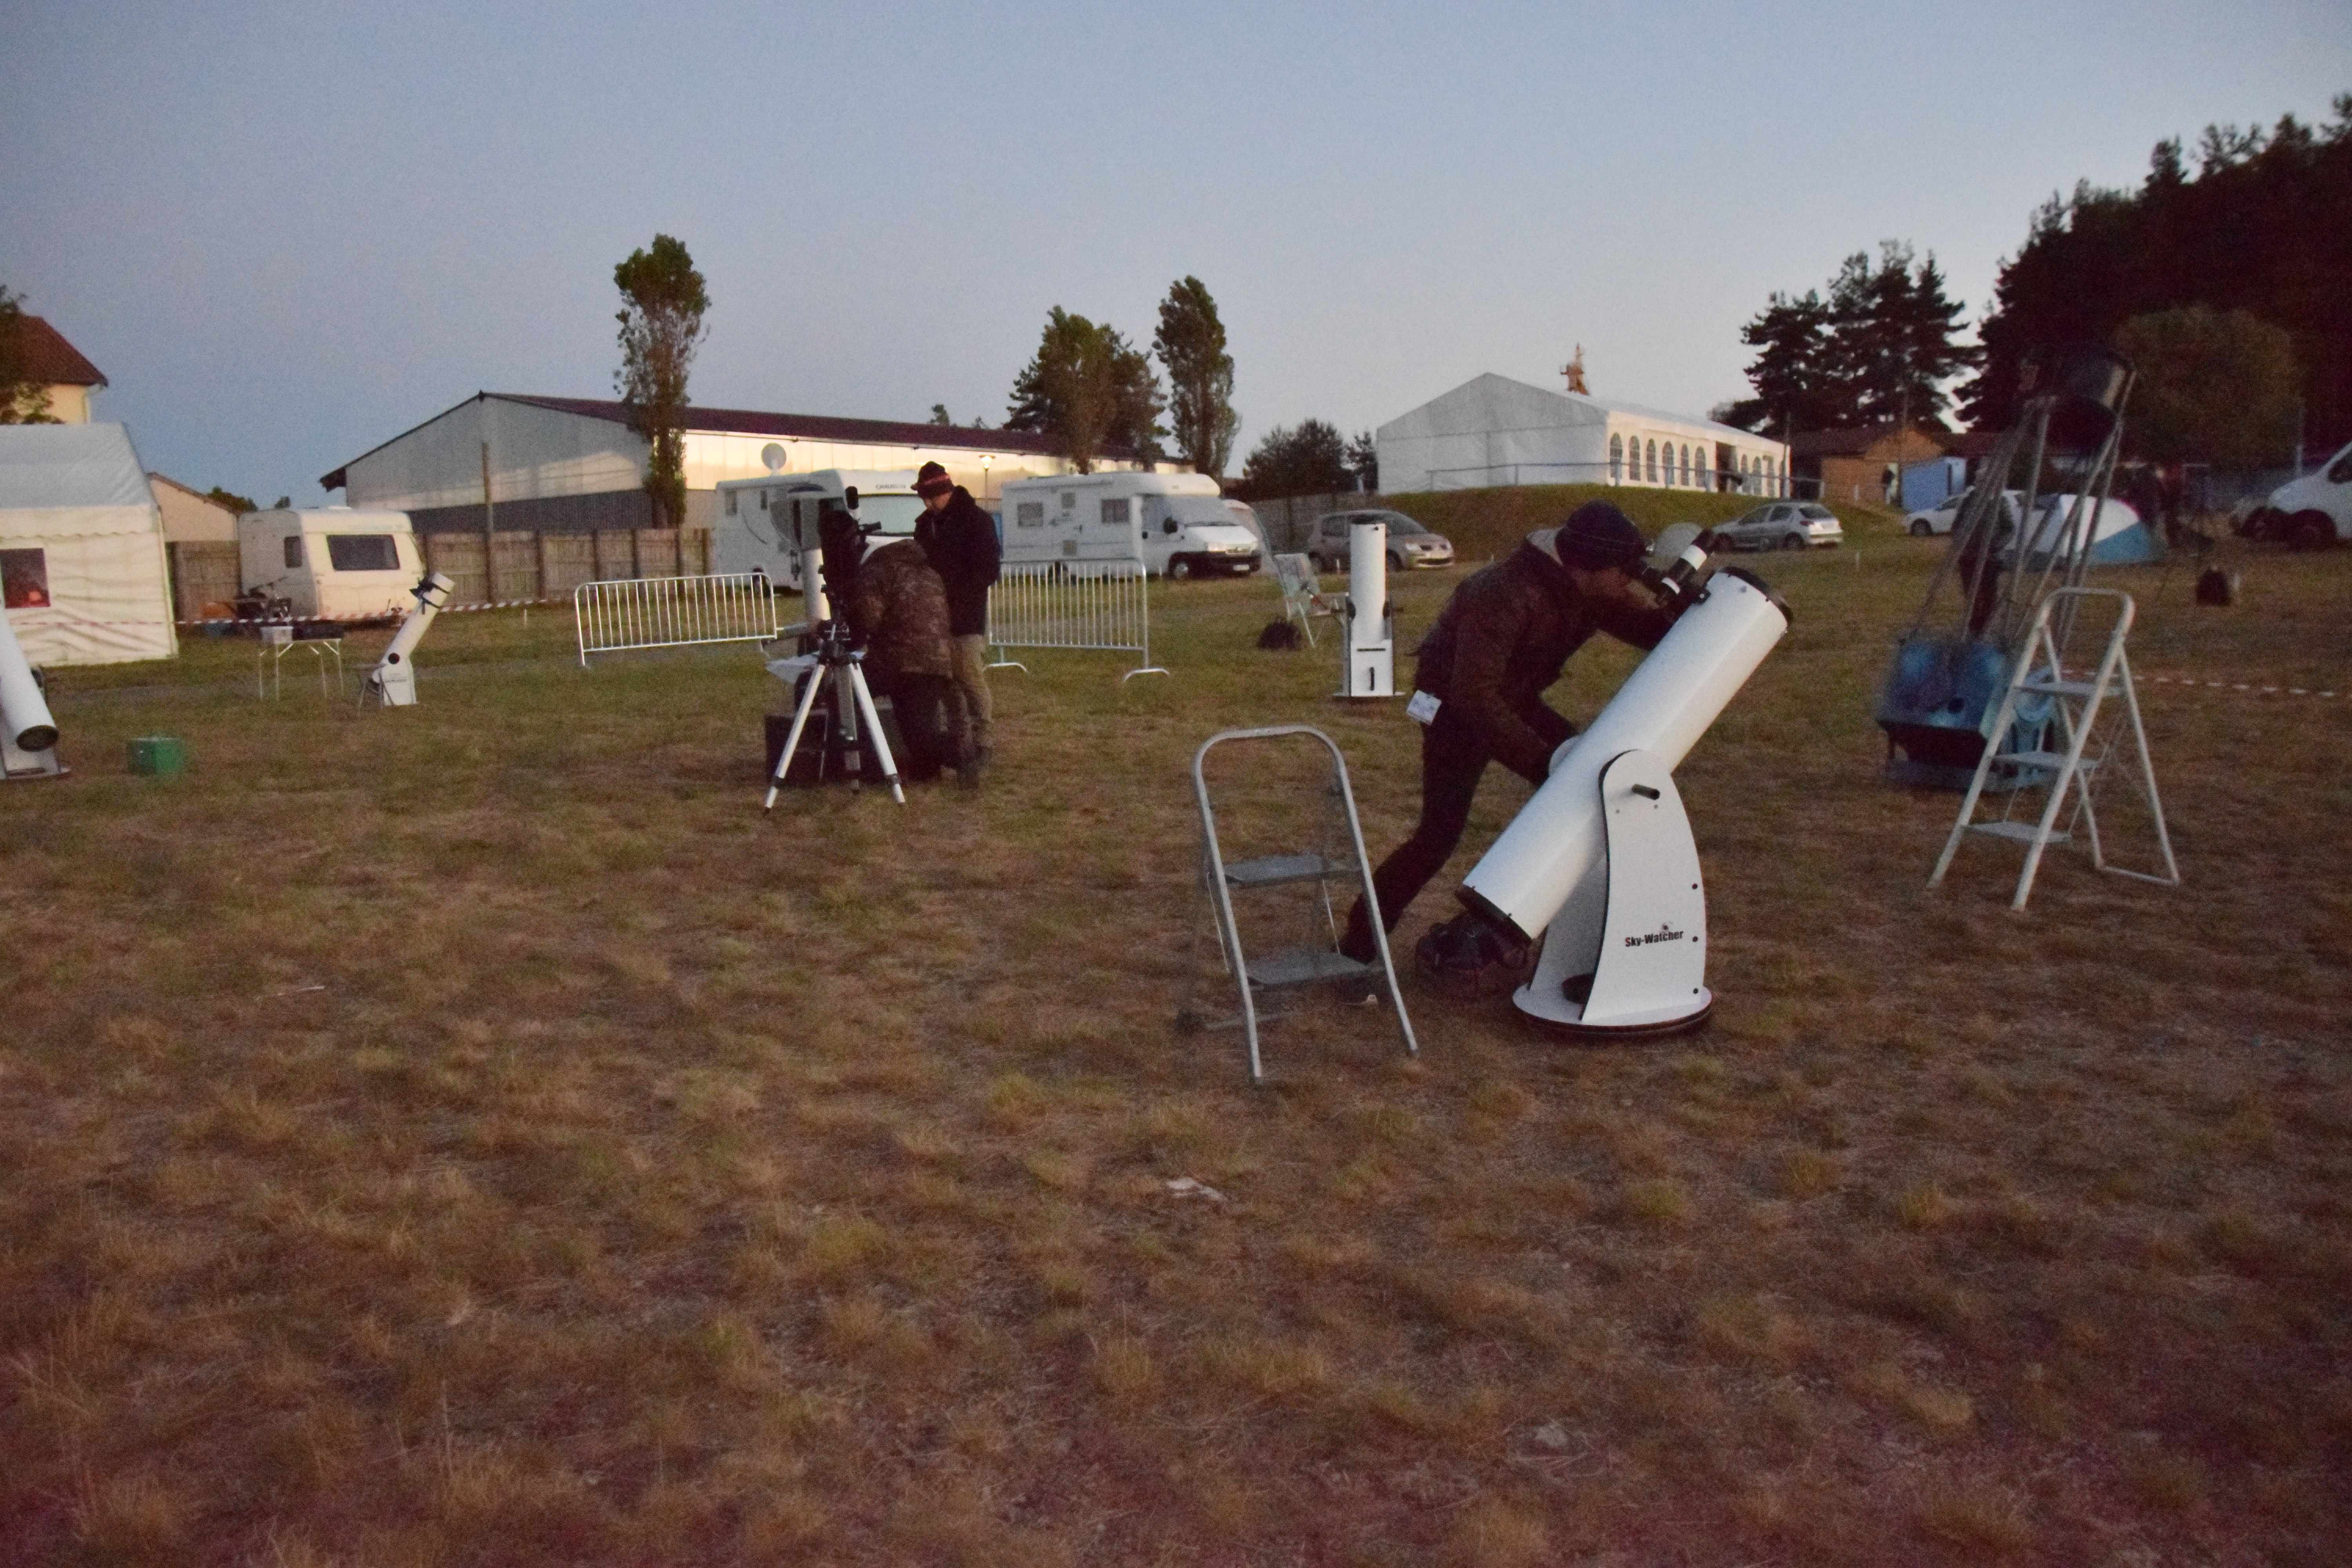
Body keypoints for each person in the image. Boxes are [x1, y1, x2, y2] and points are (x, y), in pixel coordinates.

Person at [1340, 501, 1677, 990]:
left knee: (1589, 784)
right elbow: (1473, 695)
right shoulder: (1503, 592)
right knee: (1438, 835)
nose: (1630, 580)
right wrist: (1544, 761)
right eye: (1623, 570)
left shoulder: (1587, 586)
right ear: (1584, 566)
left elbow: (1652, 631)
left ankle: (1555, 932)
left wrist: (1692, 606)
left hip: (1510, 695)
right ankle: (1359, 945)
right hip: (1452, 706)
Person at [828, 505, 967, 785]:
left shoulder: (877, 570)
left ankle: (867, 765)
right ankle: (931, 771)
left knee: (842, 695)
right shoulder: (926, 571)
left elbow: (867, 618)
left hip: (897, 660)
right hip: (937, 660)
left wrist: (840, 631)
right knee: (919, 730)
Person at [912, 462, 1001, 777]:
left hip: (966, 618)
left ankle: (983, 742)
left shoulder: (977, 522)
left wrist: (958, 597)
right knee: (947, 684)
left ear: (944, 492)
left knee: (970, 679)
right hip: (934, 619)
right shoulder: (925, 525)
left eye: (930, 497)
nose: (927, 504)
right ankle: (960, 745)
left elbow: (988, 570)